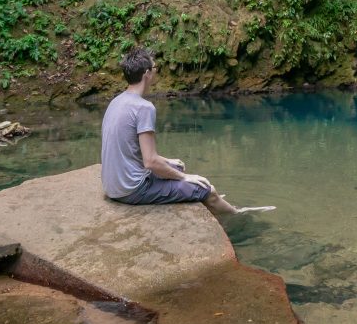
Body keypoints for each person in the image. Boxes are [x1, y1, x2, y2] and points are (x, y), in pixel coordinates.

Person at [100, 46, 273, 217]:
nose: (156, 72)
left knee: (178, 165)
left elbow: (132, 151)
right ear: (146, 73)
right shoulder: (144, 108)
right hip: (132, 190)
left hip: (112, 186)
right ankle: (238, 215)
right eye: (155, 68)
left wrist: (168, 162)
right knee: (205, 188)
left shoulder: (116, 101)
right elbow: (150, 162)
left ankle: (201, 196)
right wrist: (185, 178)